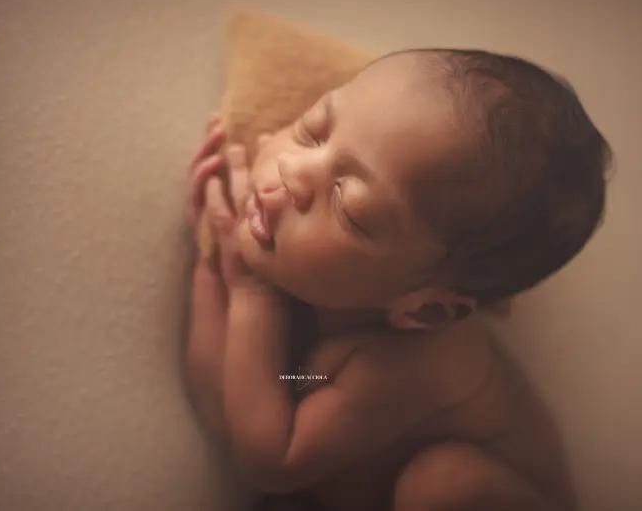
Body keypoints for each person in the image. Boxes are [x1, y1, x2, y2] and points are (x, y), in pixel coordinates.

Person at [185, 48, 611, 511]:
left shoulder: (421, 364)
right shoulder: (324, 301)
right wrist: (213, 258)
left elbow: (273, 462)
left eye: (350, 208)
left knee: (443, 484)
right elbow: (226, 406)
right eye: (312, 131)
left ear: (425, 308)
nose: (294, 171)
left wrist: (252, 292)